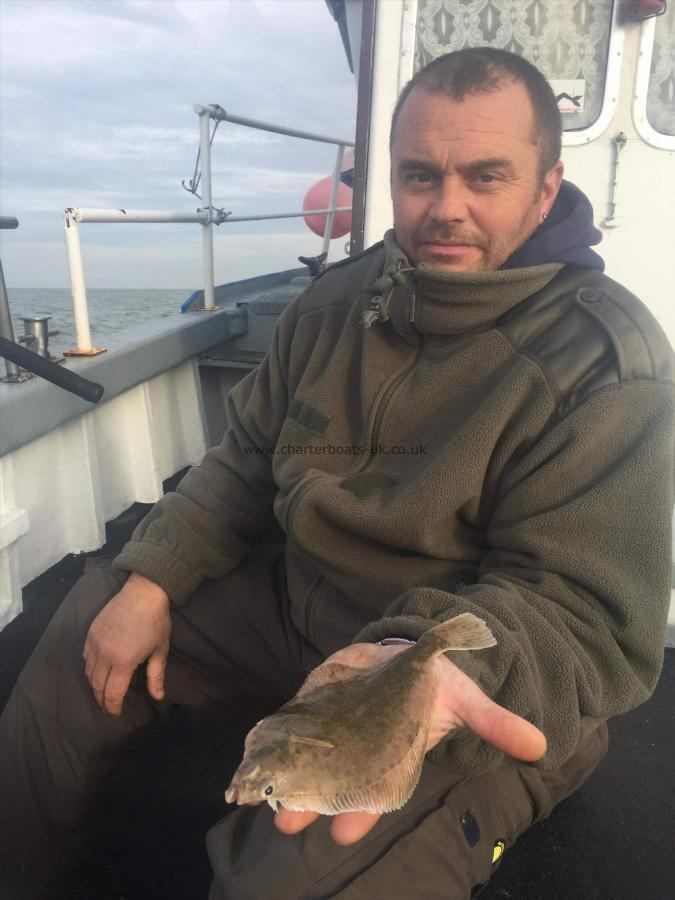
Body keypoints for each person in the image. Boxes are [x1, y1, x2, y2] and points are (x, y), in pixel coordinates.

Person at [1, 47, 673, 900]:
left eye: (486, 177)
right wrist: (152, 578)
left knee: (285, 881)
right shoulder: (332, 306)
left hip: (469, 679)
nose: (447, 208)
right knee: (96, 620)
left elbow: (582, 611)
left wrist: (405, 668)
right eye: (420, 176)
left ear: (545, 189)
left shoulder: (607, 366)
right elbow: (242, 463)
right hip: (296, 614)